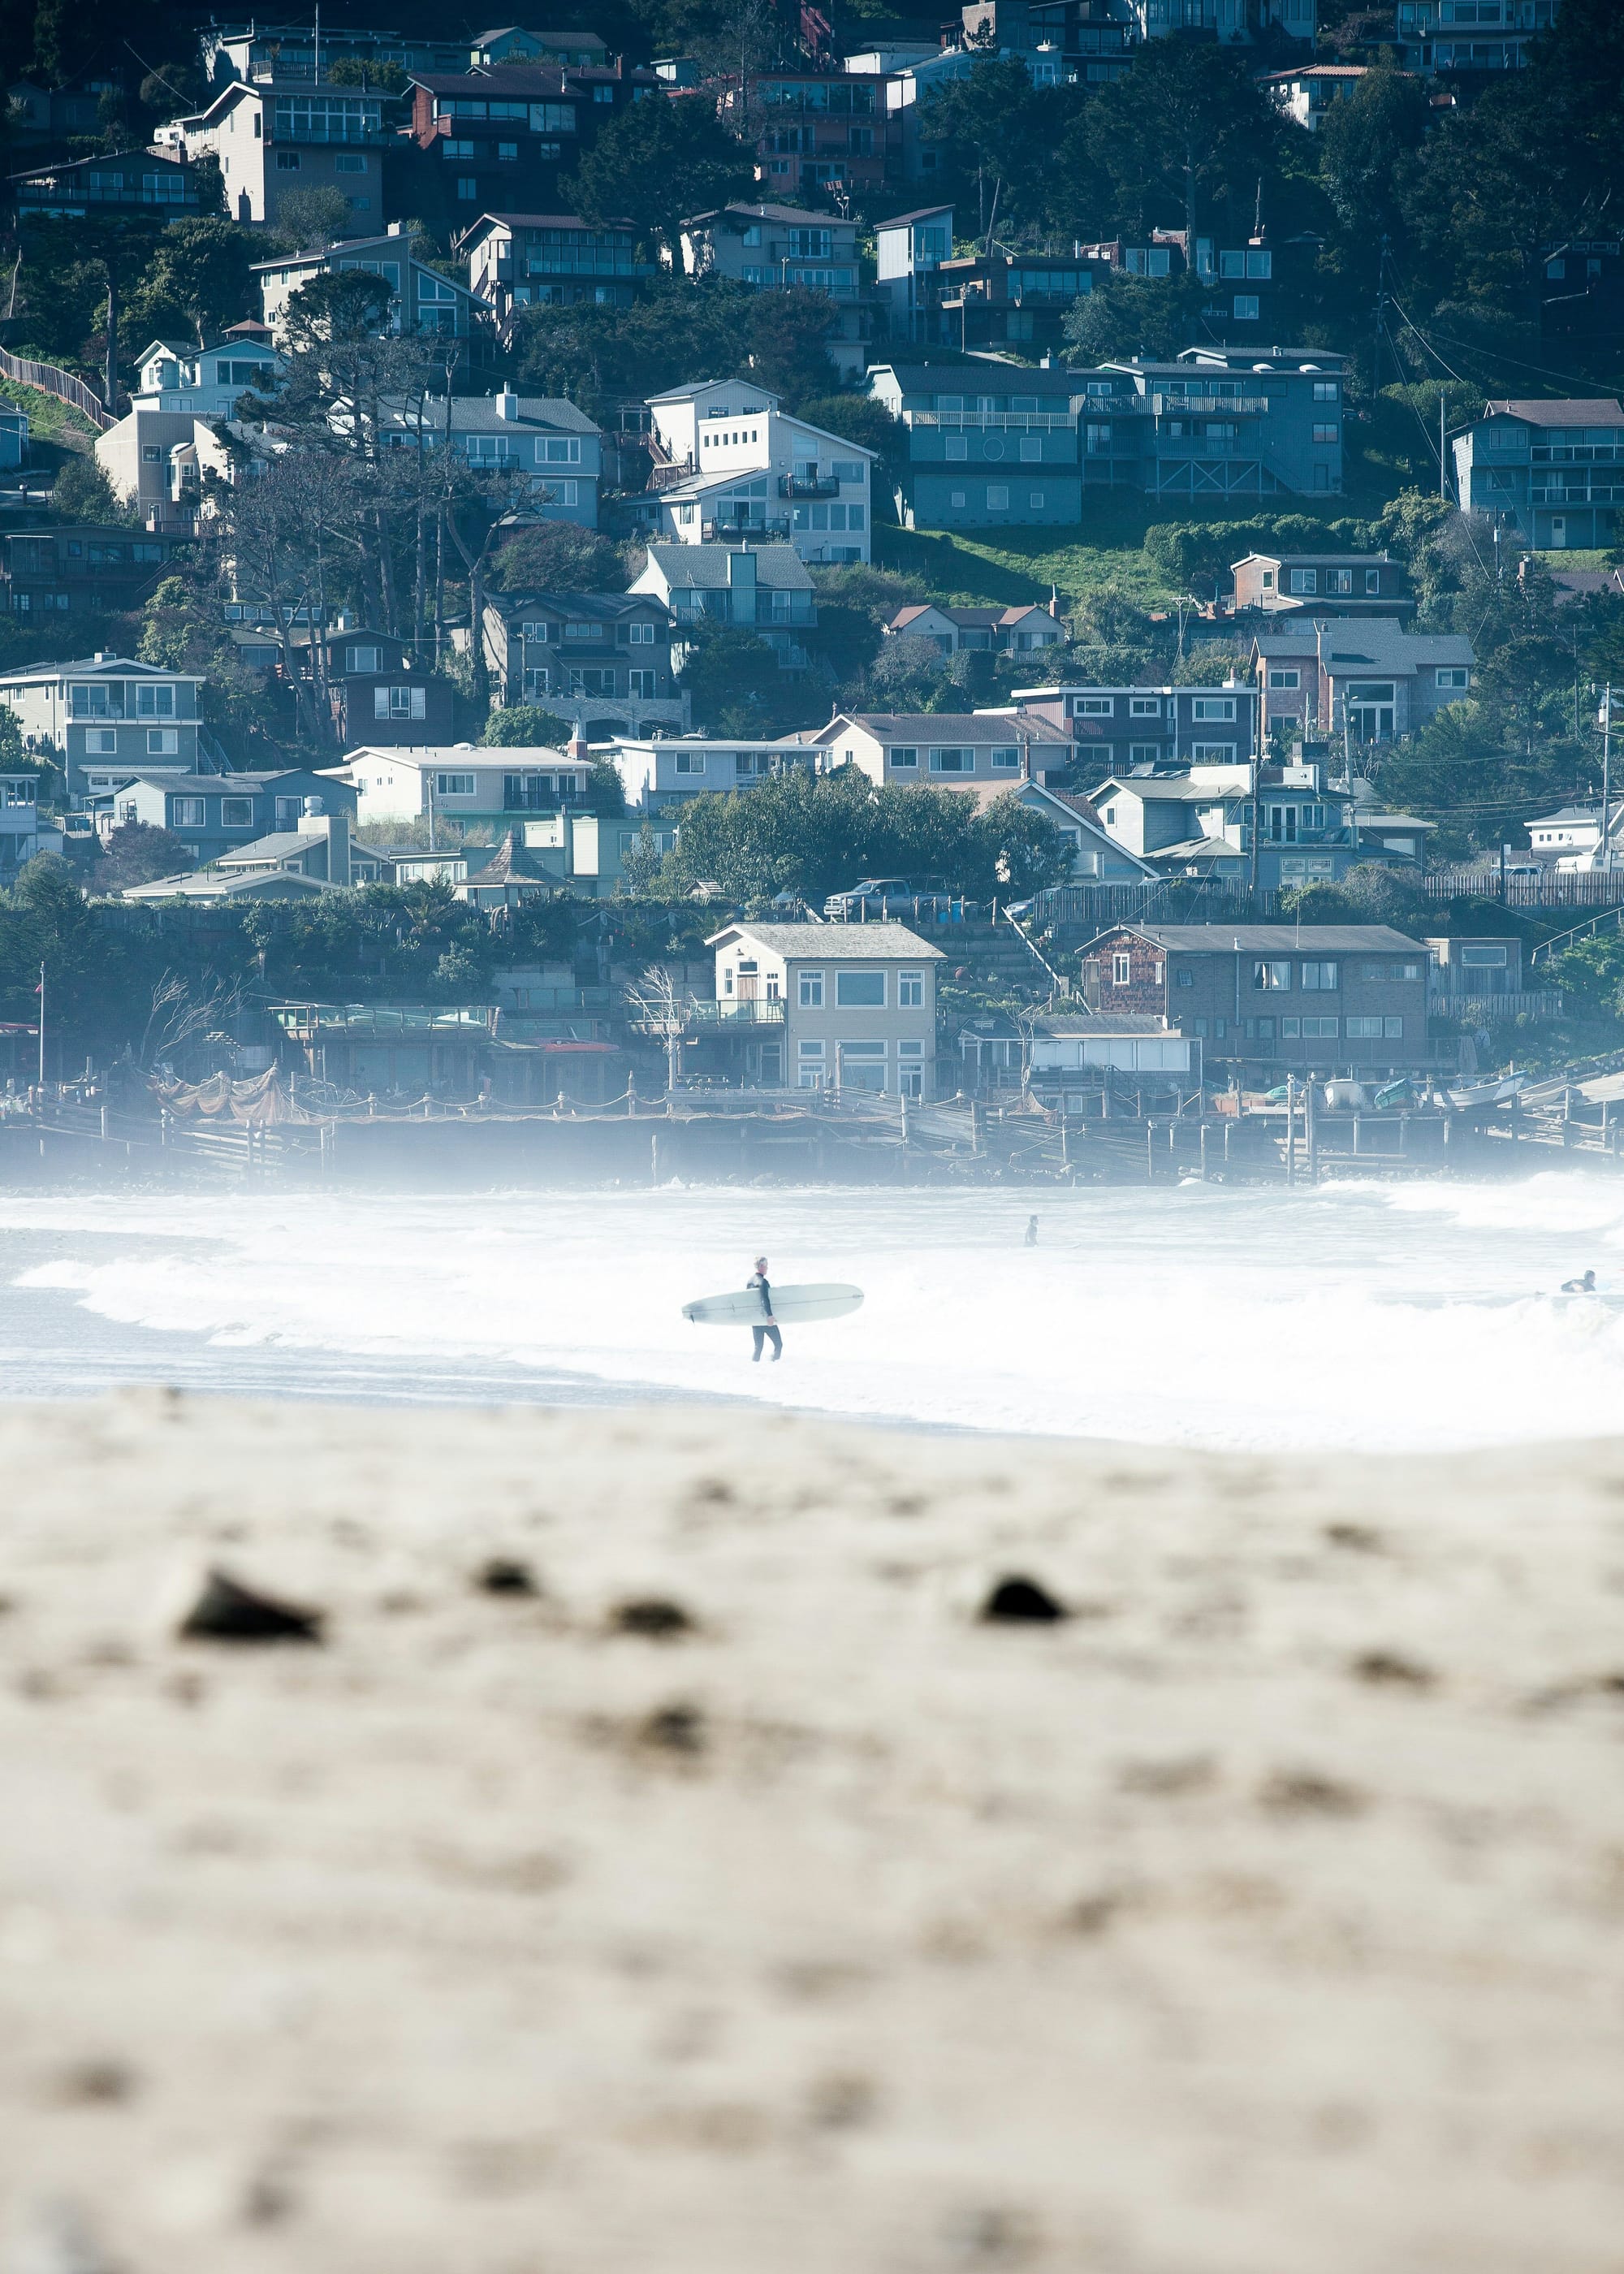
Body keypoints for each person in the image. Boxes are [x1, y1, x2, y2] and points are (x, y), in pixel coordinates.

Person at [747, 1255, 782, 1362]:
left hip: (755, 1320)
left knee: (758, 1348)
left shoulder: (750, 1281)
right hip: (765, 1319)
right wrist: (770, 1315)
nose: (767, 1268)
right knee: (779, 1345)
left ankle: (753, 1368)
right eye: (766, 1265)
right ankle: (772, 1363)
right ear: (761, 1266)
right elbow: (764, 1299)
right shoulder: (763, 1282)